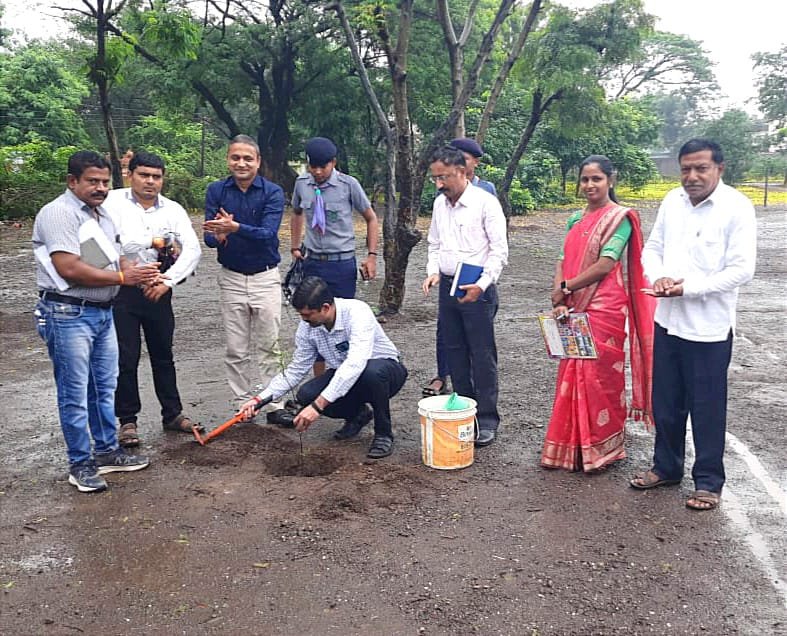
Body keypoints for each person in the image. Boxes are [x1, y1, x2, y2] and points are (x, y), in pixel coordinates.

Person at [631, 139, 756, 511]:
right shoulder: (673, 201)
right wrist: (658, 278)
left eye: (701, 168)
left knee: (706, 408)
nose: (692, 176)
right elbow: (652, 249)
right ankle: (666, 467)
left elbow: (742, 269)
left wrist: (688, 289)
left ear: (720, 168)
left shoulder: (736, 207)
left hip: (709, 329)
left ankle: (708, 482)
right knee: (665, 403)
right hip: (667, 321)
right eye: (686, 168)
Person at [32, 150, 161, 492]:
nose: (100, 187)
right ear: (72, 181)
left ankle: (106, 451)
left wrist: (138, 273)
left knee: (104, 388)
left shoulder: (103, 216)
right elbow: (69, 267)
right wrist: (124, 278)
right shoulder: (58, 213)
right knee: (74, 392)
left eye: (104, 181)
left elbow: (113, 258)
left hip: (103, 312)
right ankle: (80, 463)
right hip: (67, 312)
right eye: (92, 181)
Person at [542, 155, 655, 472]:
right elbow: (563, 260)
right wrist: (560, 295)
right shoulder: (574, 219)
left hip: (605, 307)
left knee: (599, 377)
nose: (590, 185)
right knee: (571, 371)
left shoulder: (620, 219)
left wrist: (566, 287)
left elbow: (606, 264)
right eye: (585, 179)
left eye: (596, 179)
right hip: (573, 304)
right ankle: (571, 448)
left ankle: (602, 449)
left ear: (611, 180)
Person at [239, 277, 408, 459]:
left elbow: (355, 363)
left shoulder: (357, 313)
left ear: (326, 308)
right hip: (345, 374)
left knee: (372, 373)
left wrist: (317, 407)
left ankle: (383, 433)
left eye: (308, 315)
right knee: (306, 394)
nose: (304, 320)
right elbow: (296, 370)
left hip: (385, 371)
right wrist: (259, 400)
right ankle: (358, 414)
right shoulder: (308, 327)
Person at [104, 151, 202, 446]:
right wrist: (143, 248)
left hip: (159, 289)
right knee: (125, 357)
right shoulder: (111, 203)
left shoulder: (173, 210)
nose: (150, 181)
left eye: (156, 176)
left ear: (163, 179)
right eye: (144, 175)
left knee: (163, 355)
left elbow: (193, 249)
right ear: (129, 174)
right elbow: (105, 242)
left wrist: (168, 281)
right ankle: (128, 421)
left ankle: (172, 414)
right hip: (122, 290)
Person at [421, 146, 508, 448]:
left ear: (462, 170)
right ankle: (465, 413)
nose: (439, 184)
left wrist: (482, 285)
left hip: (477, 289)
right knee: (454, 352)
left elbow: (499, 252)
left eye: (443, 177)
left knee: (482, 355)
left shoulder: (486, 203)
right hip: (447, 287)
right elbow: (434, 243)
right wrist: (433, 271)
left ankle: (487, 419)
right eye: (435, 178)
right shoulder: (439, 205)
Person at [202, 135, 288, 422]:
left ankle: (273, 403)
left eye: (247, 158)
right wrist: (219, 235)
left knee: (269, 344)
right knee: (236, 347)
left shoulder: (273, 192)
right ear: (228, 159)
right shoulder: (216, 191)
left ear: (258, 162)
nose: (241, 163)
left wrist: (235, 227)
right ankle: (243, 404)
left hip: (265, 276)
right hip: (232, 278)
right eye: (235, 157)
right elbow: (209, 238)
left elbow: (268, 234)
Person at [290, 136, 379, 300]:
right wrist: (295, 247)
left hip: (341, 264)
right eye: (313, 166)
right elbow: (296, 212)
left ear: (333, 162)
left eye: (323, 167)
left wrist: (371, 256)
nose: (318, 171)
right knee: (312, 315)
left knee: (342, 315)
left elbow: (371, 218)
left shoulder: (348, 185)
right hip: (312, 262)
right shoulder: (301, 183)